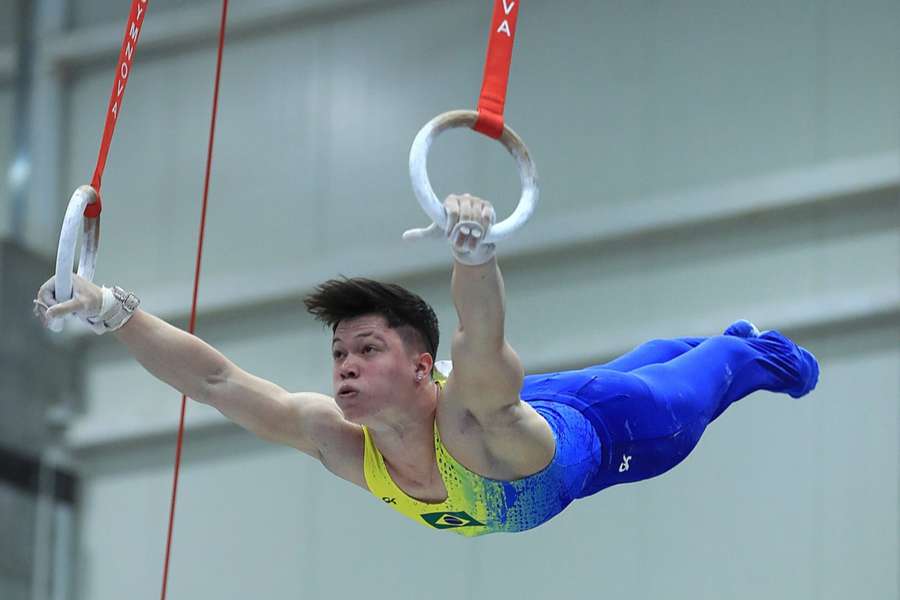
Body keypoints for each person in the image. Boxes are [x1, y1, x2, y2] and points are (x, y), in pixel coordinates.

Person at [34, 193, 819, 537]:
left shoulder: (469, 409)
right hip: (541, 406)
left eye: (366, 350)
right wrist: (113, 311)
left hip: (619, 431)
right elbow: (217, 382)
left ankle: (748, 348)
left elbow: (481, 342)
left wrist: (473, 251)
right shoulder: (338, 438)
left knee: (717, 369)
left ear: (422, 367)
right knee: (646, 358)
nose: (341, 368)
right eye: (338, 352)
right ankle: (692, 347)